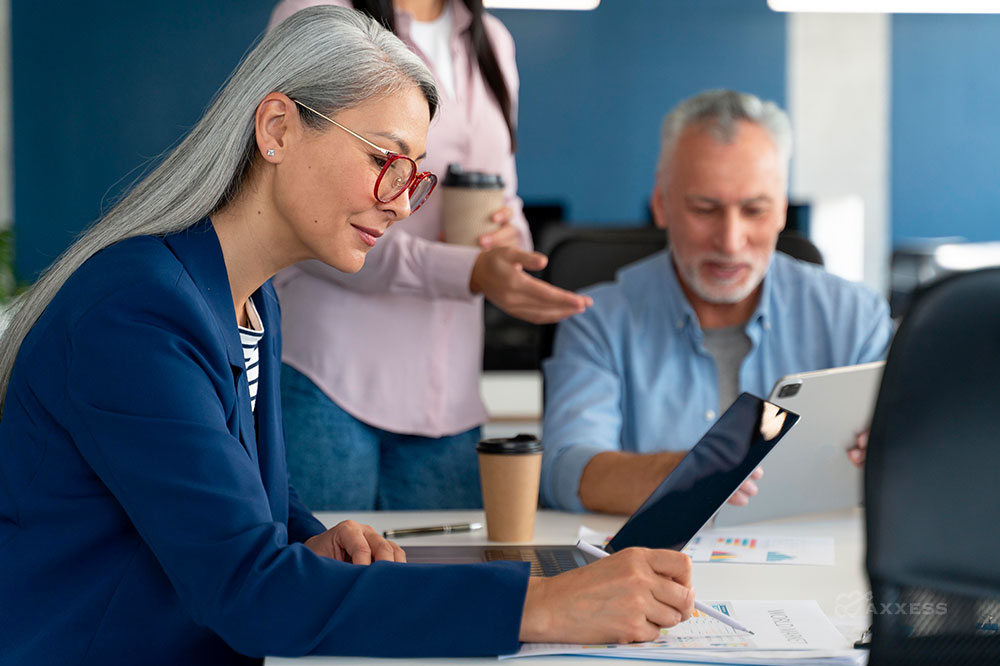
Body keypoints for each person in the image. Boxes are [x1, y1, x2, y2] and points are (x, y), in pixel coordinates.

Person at [0, 8, 693, 664]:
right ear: (276, 128)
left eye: (414, 176)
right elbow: (249, 592)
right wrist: (540, 605)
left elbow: (234, 511)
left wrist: (306, 539)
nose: (400, 202)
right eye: (384, 159)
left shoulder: (252, 301)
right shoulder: (138, 315)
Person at [267, 0, 589, 510]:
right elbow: (307, 214)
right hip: (330, 384)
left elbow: (503, 195)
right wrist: (471, 273)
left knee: (443, 584)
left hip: (450, 405)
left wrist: (512, 250)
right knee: (323, 581)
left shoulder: (494, 43)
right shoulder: (319, 15)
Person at [540, 90, 893, 515]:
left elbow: (915, 457)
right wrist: (689, 474)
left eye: (755, 210)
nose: (730, 241)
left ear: (782, 209)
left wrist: (897, 455)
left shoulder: (855, 318)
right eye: (705, 209)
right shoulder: (595, 321)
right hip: (652, 572)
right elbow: (565, 473)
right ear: (661, 204)